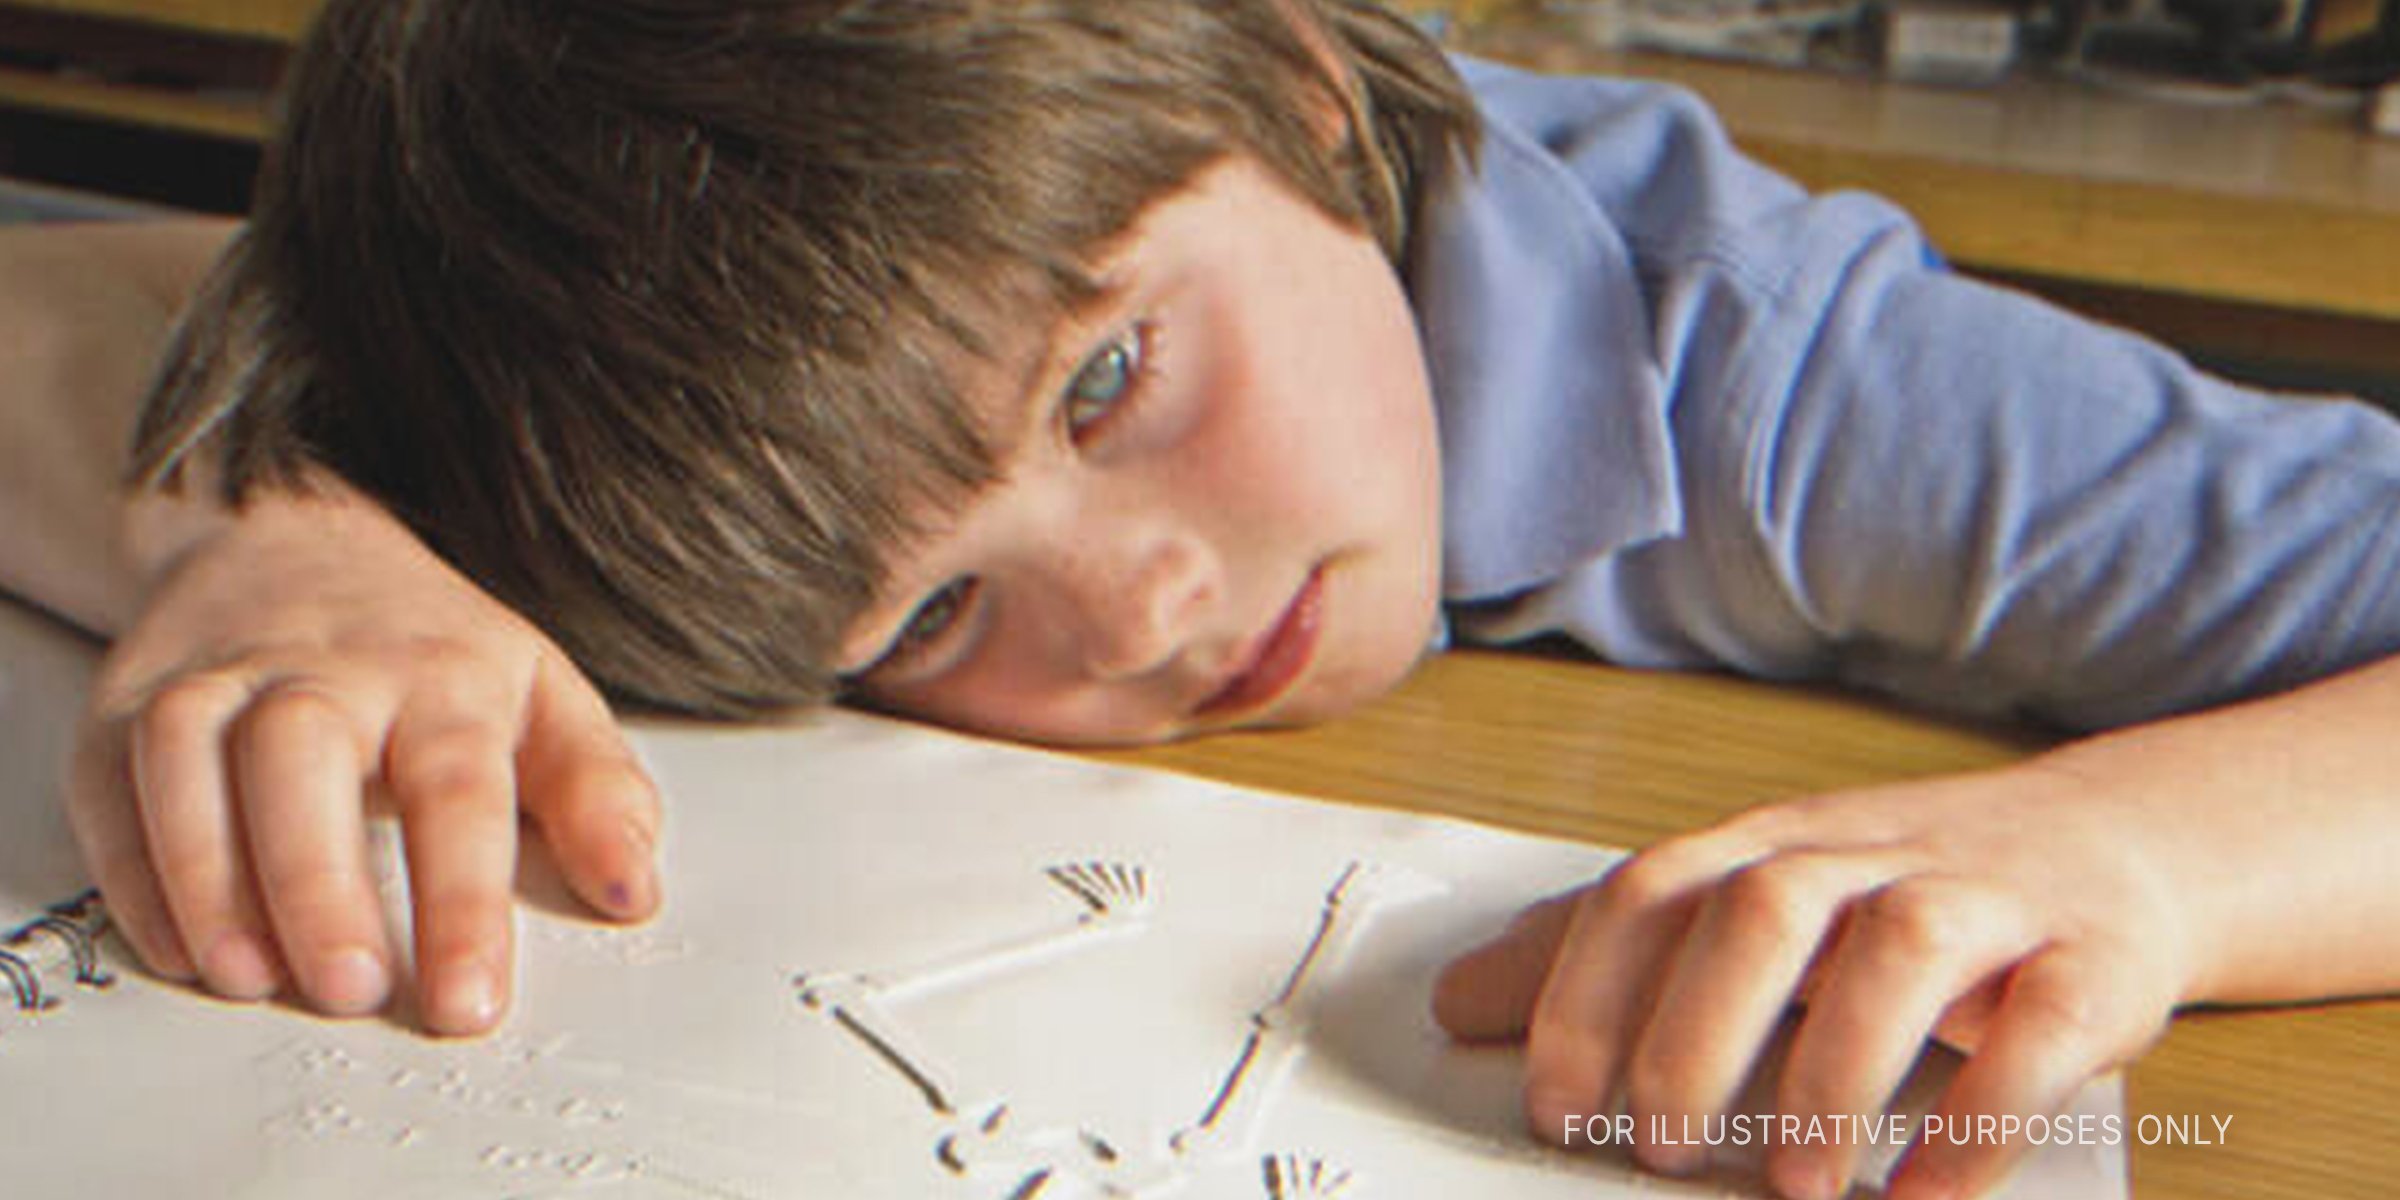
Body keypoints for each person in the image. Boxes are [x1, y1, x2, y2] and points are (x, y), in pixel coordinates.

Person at [5, 2, 2398, 1197]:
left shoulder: (1781, 377)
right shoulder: (639, 393)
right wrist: (268, 532)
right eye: (931, 620)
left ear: (1298, 92)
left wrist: (2140, 857)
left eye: (1117, 374)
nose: (1135, 608)